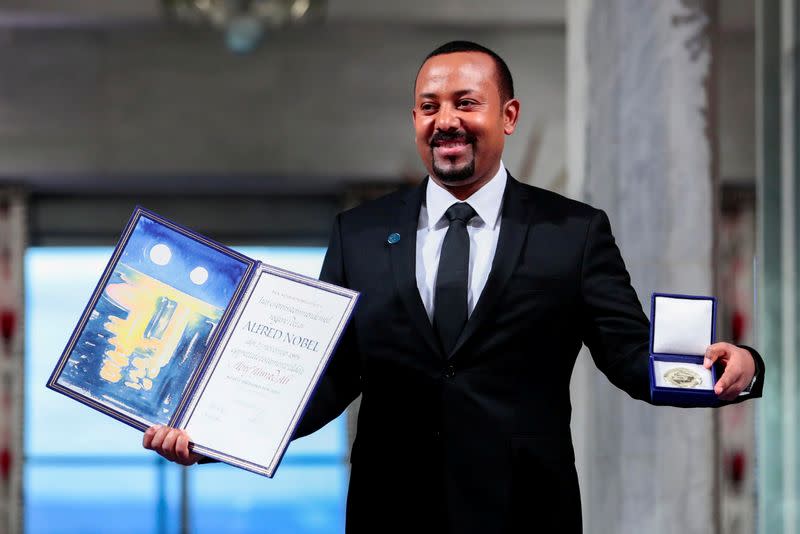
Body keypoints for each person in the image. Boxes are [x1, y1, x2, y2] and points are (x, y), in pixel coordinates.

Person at [144, 41, 764, 533]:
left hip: (526, 513)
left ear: (508, 115)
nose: (446, 121)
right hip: (390, 513)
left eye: (466, 102)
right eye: (429, 106)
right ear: (414, 117)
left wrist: (737, 367)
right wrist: (213, 437)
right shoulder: (358, 233)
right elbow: (326, 377)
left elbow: (632, 357)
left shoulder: (572, 233)